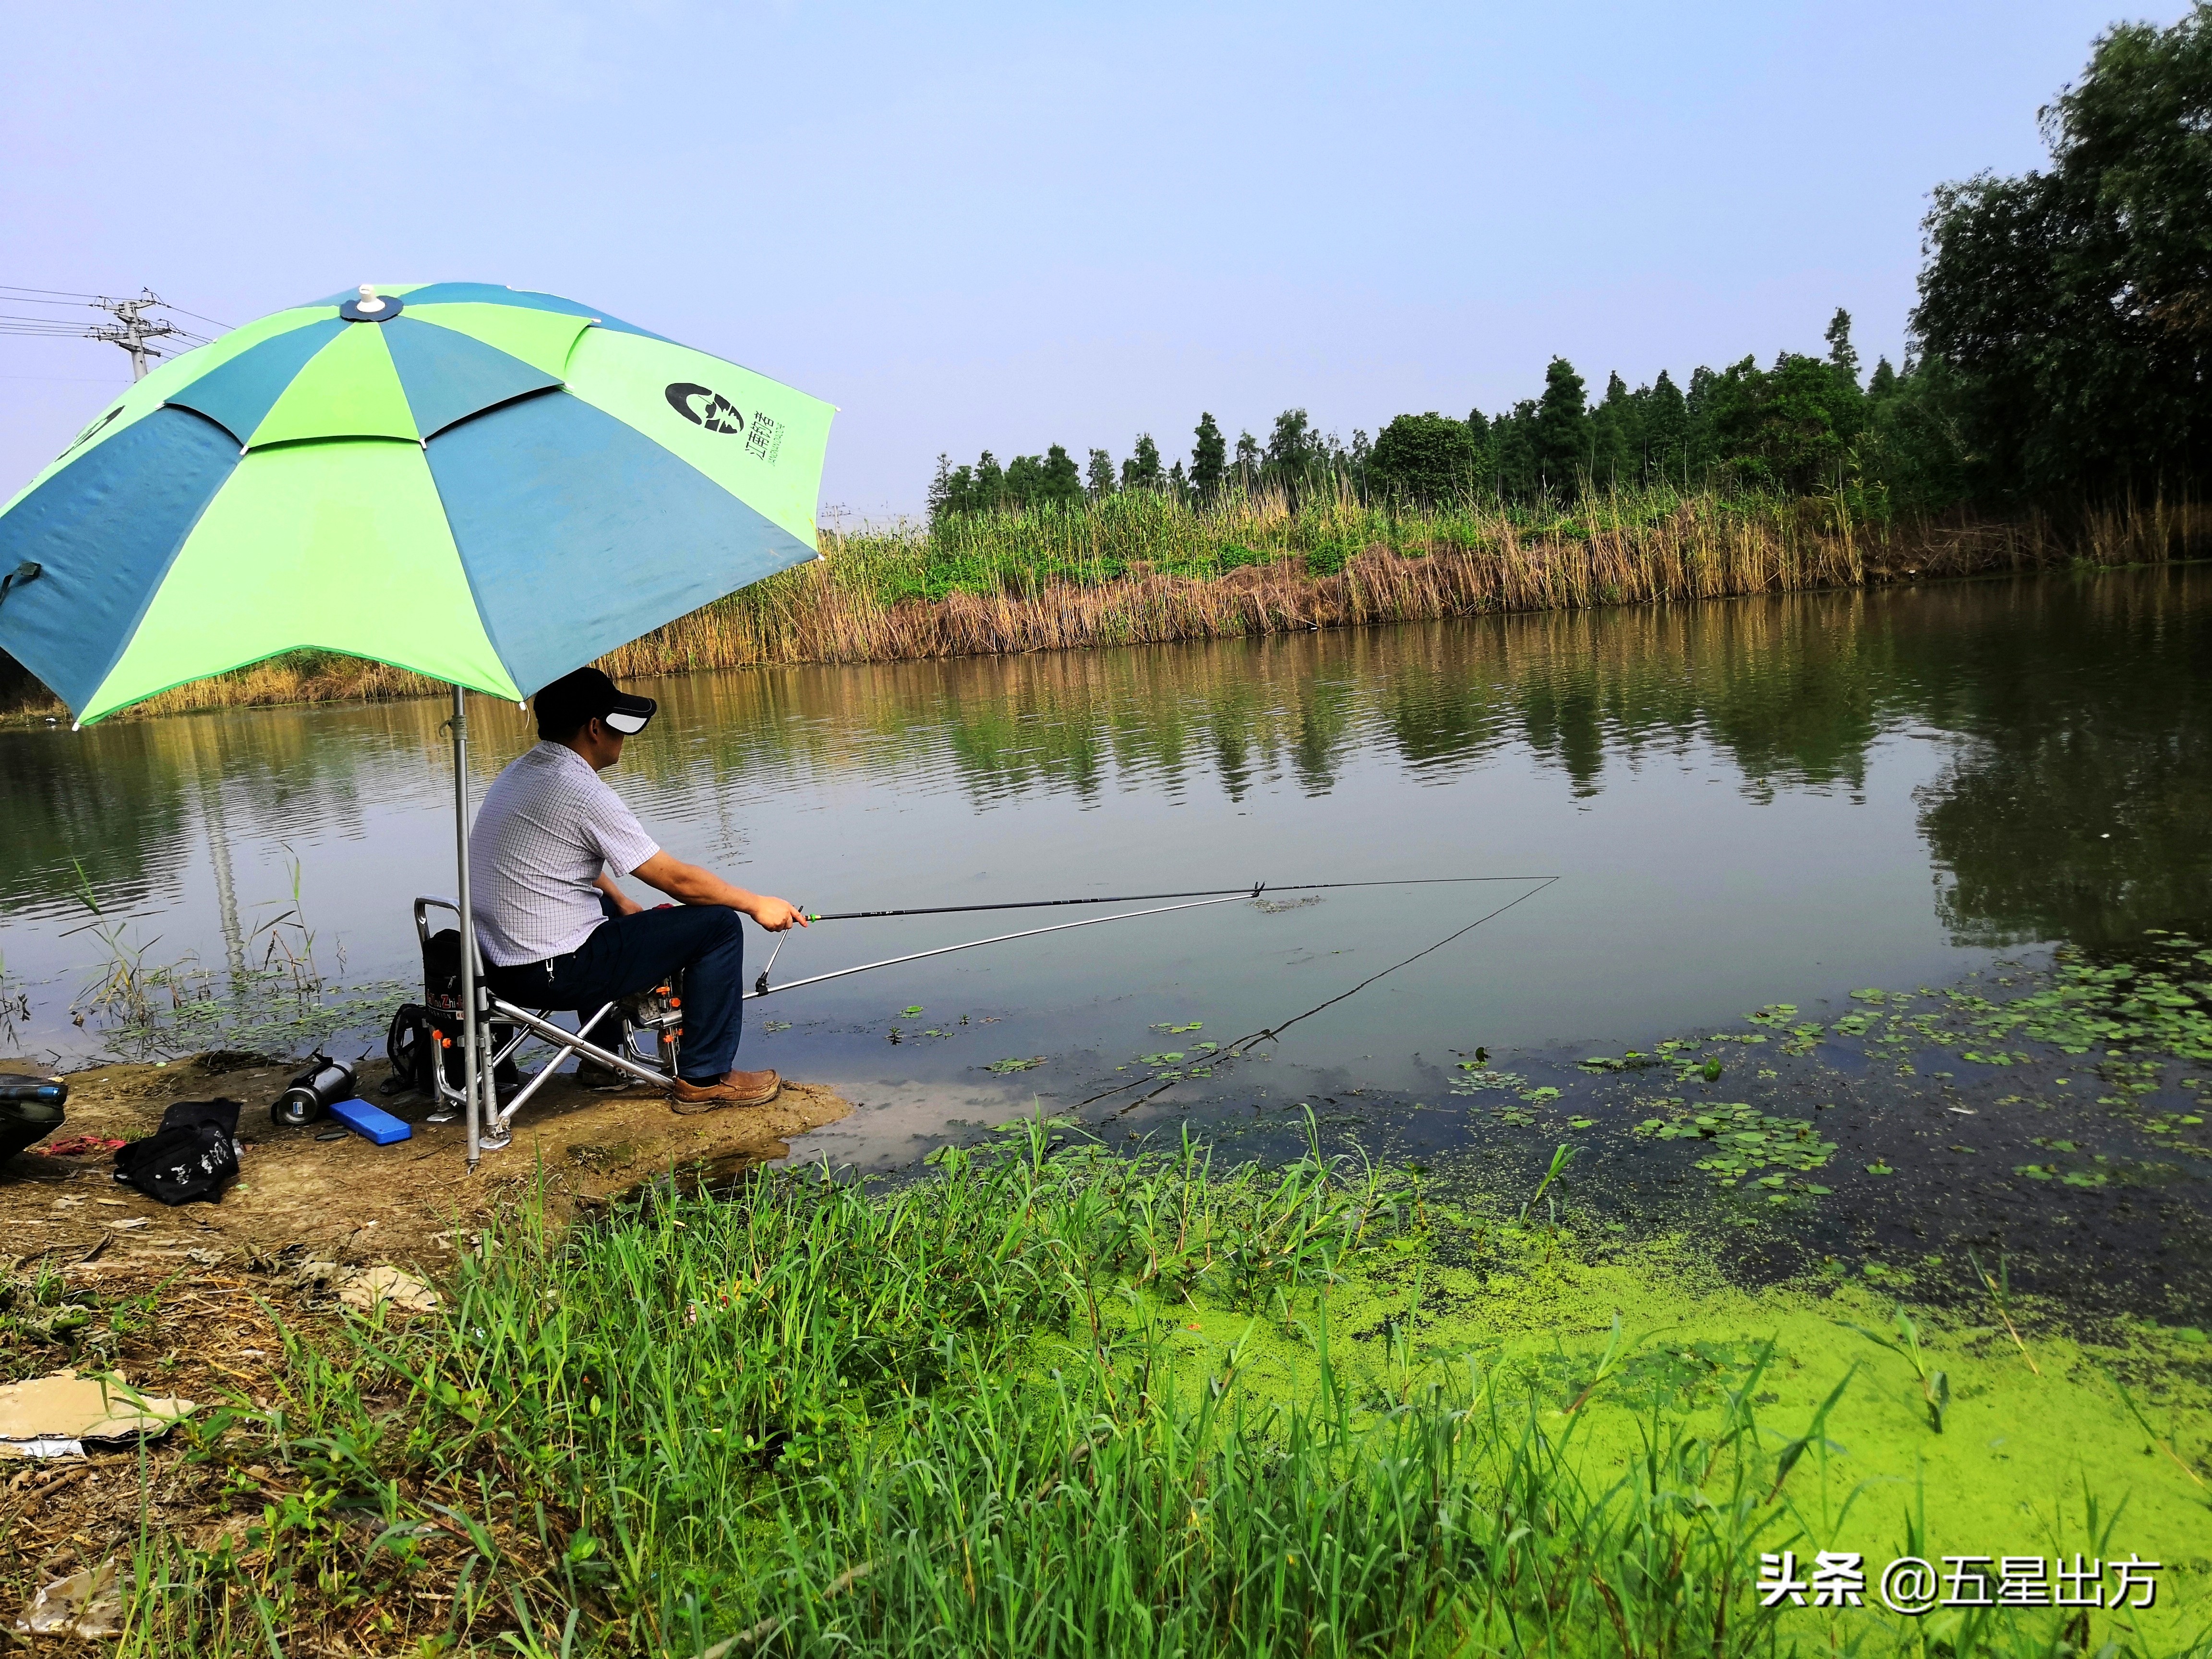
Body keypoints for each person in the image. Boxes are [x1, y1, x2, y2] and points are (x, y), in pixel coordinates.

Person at [470, 666, 805, 1109]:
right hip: (553, 972)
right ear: (594, 728)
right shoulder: (580, 789)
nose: (622, 737)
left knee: (610, 907)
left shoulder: (522, 772)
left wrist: (623, 901)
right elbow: (676, 880)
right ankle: (705, 1078)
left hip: (499, 966)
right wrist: (756, 903)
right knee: (719, 925)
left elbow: (555, 864)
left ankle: (604, 1062)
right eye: (616, 725)